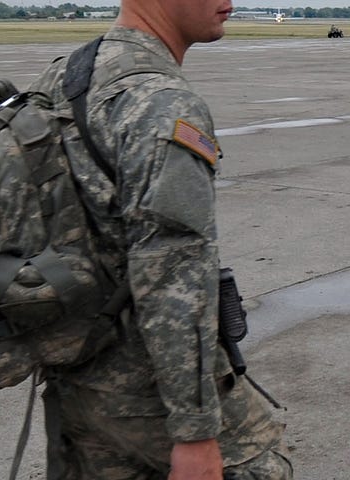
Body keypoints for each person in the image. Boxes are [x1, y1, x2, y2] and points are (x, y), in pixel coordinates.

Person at [26, 0, 293, 478]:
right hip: (144, 389)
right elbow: (172, 274)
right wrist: (195, 433)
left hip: (76, 381)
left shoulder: (64, 75)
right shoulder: (162, 102)